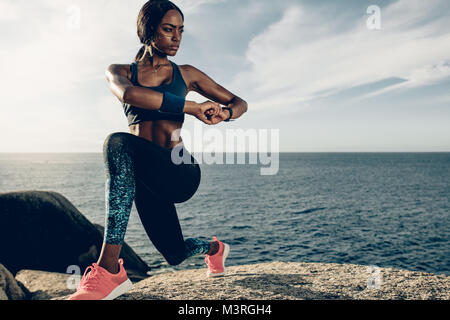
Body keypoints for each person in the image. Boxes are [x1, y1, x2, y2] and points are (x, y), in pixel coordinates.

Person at [69, 0, 248, 300]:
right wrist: (191, 107)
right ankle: (216, 249)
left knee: (116, 142)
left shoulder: (187, 74)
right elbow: (130, 94)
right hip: (145, 178)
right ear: (148, 29)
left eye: (180, 30)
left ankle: (109, 270)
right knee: (175, 253)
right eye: (168, 29)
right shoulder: (119, 71)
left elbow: (239, 103)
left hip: (179, 171)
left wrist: (225, 114)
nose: (177, 37)